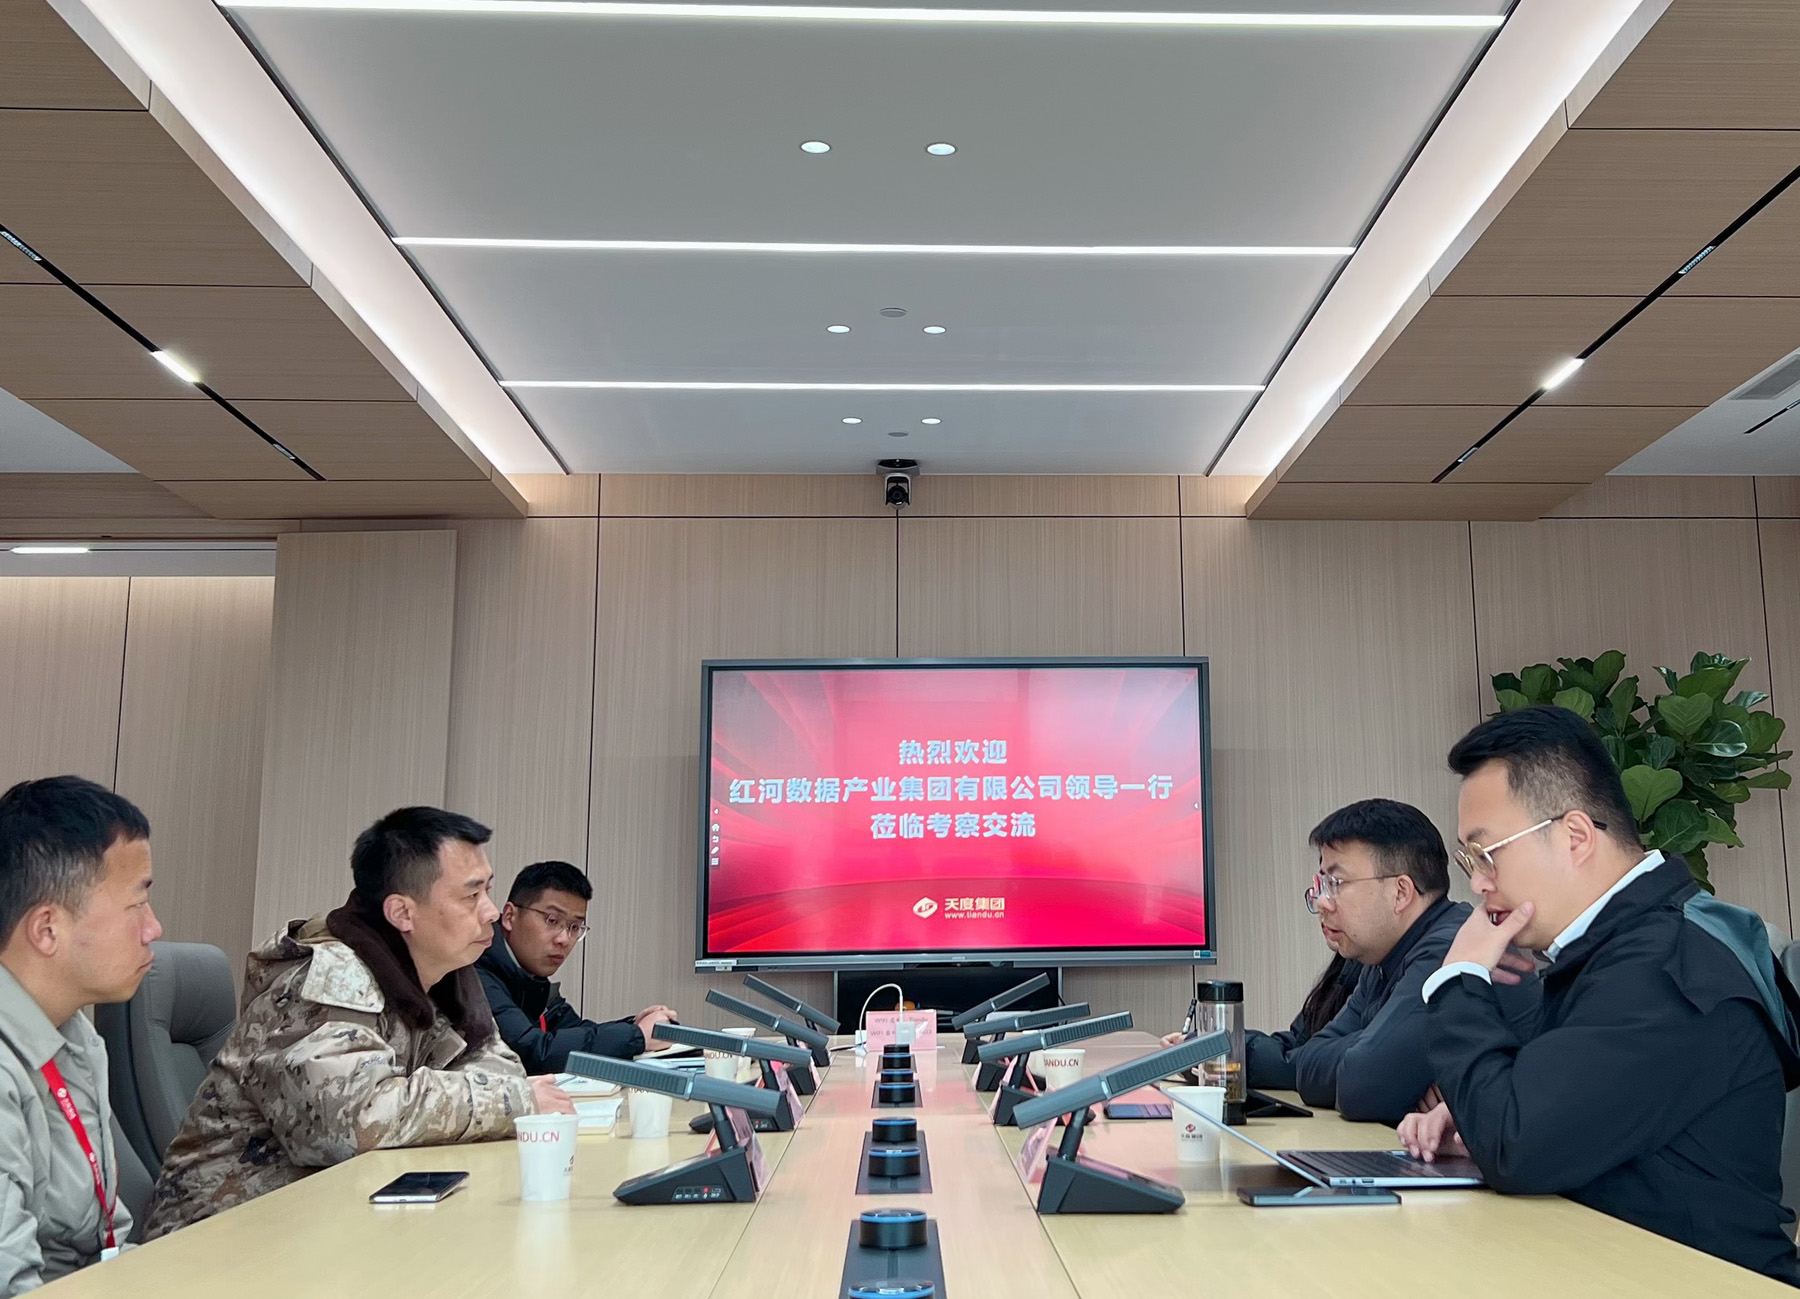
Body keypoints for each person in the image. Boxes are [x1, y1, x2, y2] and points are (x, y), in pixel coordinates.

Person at [1401, 706, 1800, 1284]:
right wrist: (1473, 1118)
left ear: (1576, 836)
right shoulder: (1615, 949)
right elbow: (1544, 1119)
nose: (1478, 882)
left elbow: (1518, 1145)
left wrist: (1458, 979)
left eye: (1486, 854)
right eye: (1470, 860)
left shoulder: (1666, 968)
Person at [144, 807, 572, 1238]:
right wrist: (512, 1101)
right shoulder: (326, 976)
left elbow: (500, 1068)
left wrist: (491, 1096)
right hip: (223, 1230)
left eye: (488, 891)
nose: (492, 912)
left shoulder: (447, 976)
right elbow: (354, 1122)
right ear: (402, 913)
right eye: (471, 896)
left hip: (334, 1218)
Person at [1165, 798, 1527, 1123]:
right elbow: (1310, 1056)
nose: (1322, 902)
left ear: (1400, 892)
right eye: (1322, 885)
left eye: (1336, 883)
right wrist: (1369, 1049)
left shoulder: (1450, 948)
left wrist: (1370, 1057)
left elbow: (1362, 1088)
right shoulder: (1379, 957)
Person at [0, 777, 160, 1293]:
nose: (153, 928)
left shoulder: (75, 1036)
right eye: (137, 904)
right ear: (47, 929)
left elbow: (104, 1243)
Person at [475, 860, 679, 1072]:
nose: (564, 939)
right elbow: (531, 1051)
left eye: (574, 927)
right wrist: (636, 1036)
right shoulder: (477, 970)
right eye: (552, 920)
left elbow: (573, 1030)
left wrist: (635, 1025)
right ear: (510, 917)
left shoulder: (528, 975)